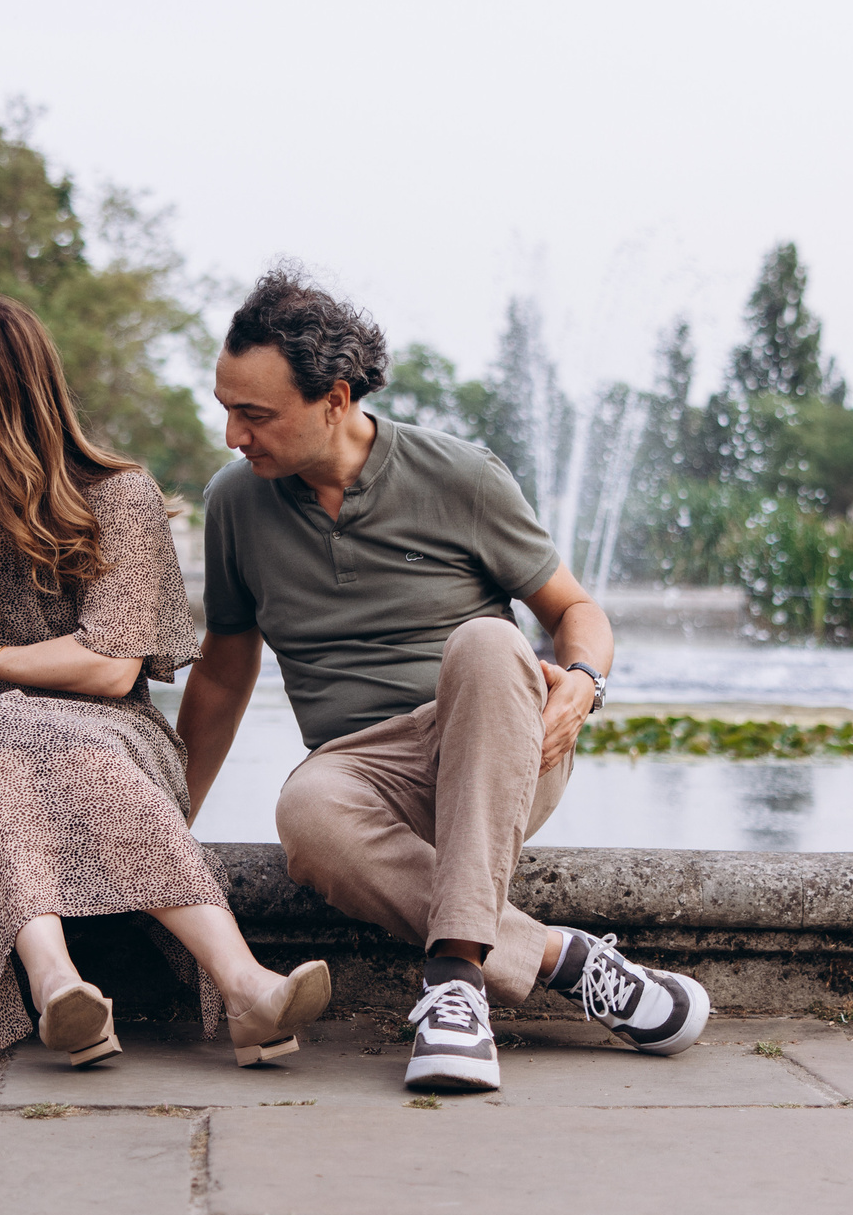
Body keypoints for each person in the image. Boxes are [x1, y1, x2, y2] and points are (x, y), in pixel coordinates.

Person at [175, 268, 709, 1095]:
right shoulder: (235, 504)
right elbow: (222, 675)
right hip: (360, 774)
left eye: (255, 414)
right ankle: (565, 957)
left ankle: (454, 985)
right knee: (304, 807)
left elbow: (576, 608)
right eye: (226, 407)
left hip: (490, 740)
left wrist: (584, 680)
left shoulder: (460, 474)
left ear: (334, 399)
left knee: (492, 641)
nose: (233, 435)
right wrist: (168, 830)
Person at [0, 293, 331, 1069]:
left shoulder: (120, 498)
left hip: (109, 734)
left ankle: (239, 986)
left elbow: (110, 667)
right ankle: (61, 989)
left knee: (7, 720)